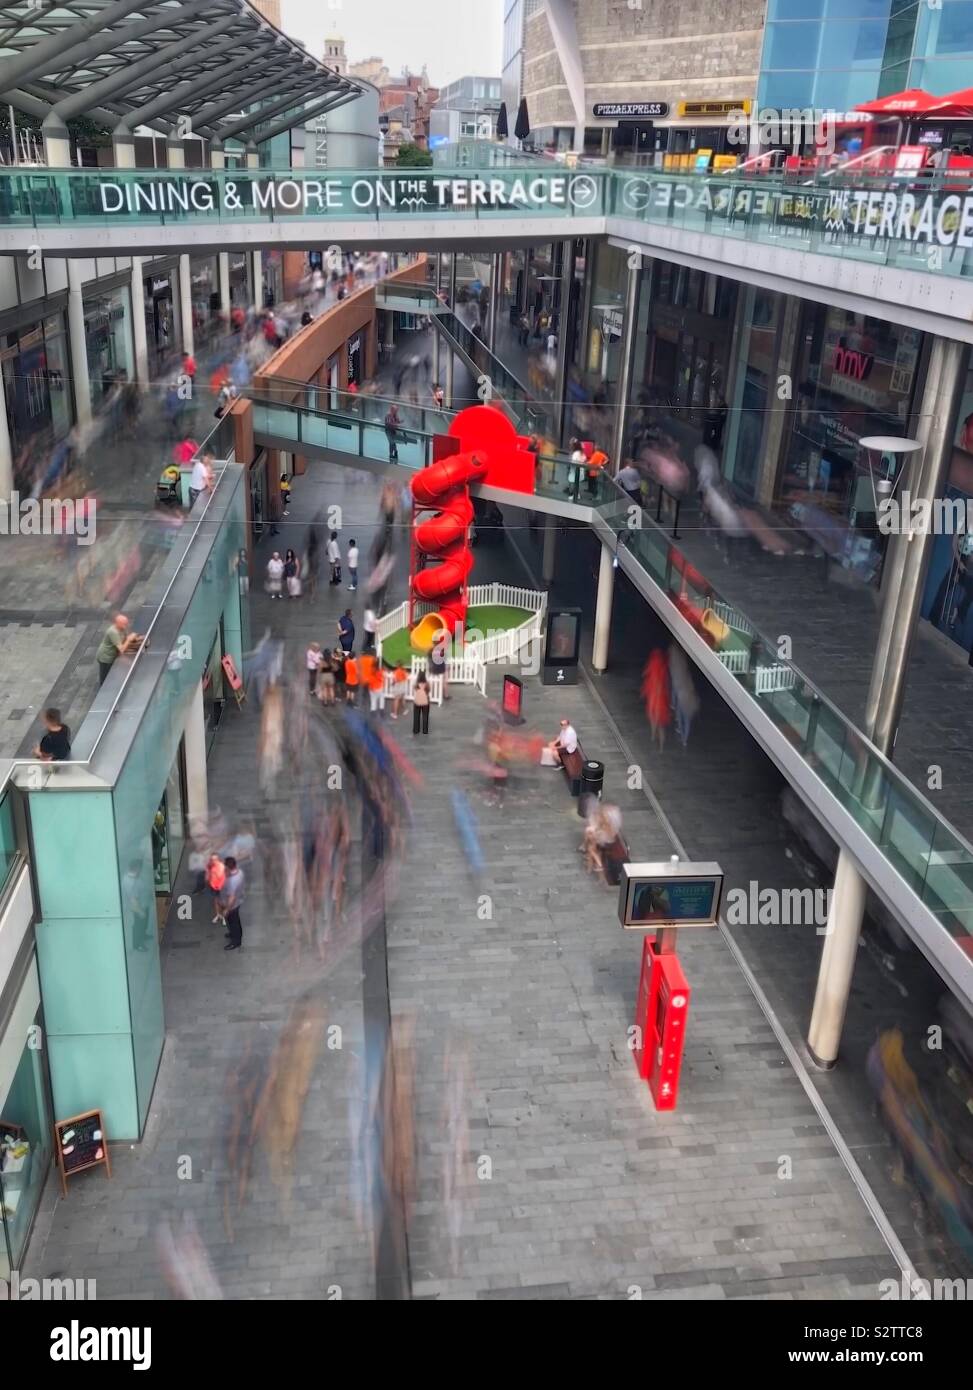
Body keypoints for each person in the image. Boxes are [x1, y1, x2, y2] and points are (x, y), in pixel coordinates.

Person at [668, 643, 700, 749]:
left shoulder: (679, 676)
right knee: (687, 721)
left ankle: (682, 734)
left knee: (680, 718)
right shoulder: (688, 680)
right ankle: (685, 740)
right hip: (688, 702)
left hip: (681, 699)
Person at [96, 613, 141, 686]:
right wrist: (129, 640)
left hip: (114, 654)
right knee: (105, 676)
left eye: (126, 623)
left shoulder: (122, 628)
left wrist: (134, 638)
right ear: (117, 623)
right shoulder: (113, 632)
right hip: (106, 657)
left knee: (113, 672)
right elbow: (122, 649)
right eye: (124, 624)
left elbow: (126, 637)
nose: (126, 626)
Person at [641, 649, 671, 750]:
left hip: (654, 698)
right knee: (660, 724)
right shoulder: (663, 668)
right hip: (661, 700)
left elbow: (646, 675)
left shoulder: (653, 666)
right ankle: (661, 745)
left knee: (653, 717)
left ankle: (653, 734)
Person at [221, 855, 245, 950]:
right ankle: (234, 934)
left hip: (232, 905)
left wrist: (227, 909)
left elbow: (232, 897)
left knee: (233, 921)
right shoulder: (239, 872)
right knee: (235, 921)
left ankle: (236, 941)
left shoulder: (233, 880)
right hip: (238, 900)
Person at [206, 852, 226, 925]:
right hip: (213, 886)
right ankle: (218, 914)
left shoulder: (221, 866)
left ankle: (224, 916)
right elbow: (209, 876)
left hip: (221, 887)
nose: (213, 861)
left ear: (218, 859)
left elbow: (220, 876)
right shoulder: (210, 866)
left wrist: (213, 870)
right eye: (212, 859)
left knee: (222, 902)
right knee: (216, 901)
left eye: (215, 859)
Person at [429, 633, 449, 699]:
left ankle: (432, 695)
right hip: (441, 668)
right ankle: (445, 695)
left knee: (433, 682)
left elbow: (429, 660)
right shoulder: (442, 650)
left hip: (434, 668)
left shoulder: (430, 651)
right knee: (444, 682)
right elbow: (445, 659)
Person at [412, 670, 430, 736]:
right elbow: (428, 690)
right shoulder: (427, 683)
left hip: (417, 701)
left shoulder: (416, 683)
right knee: (425, 716)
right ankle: (425, 730)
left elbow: (414, 688)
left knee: (416, 715)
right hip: (425, 701)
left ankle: (416, 730)